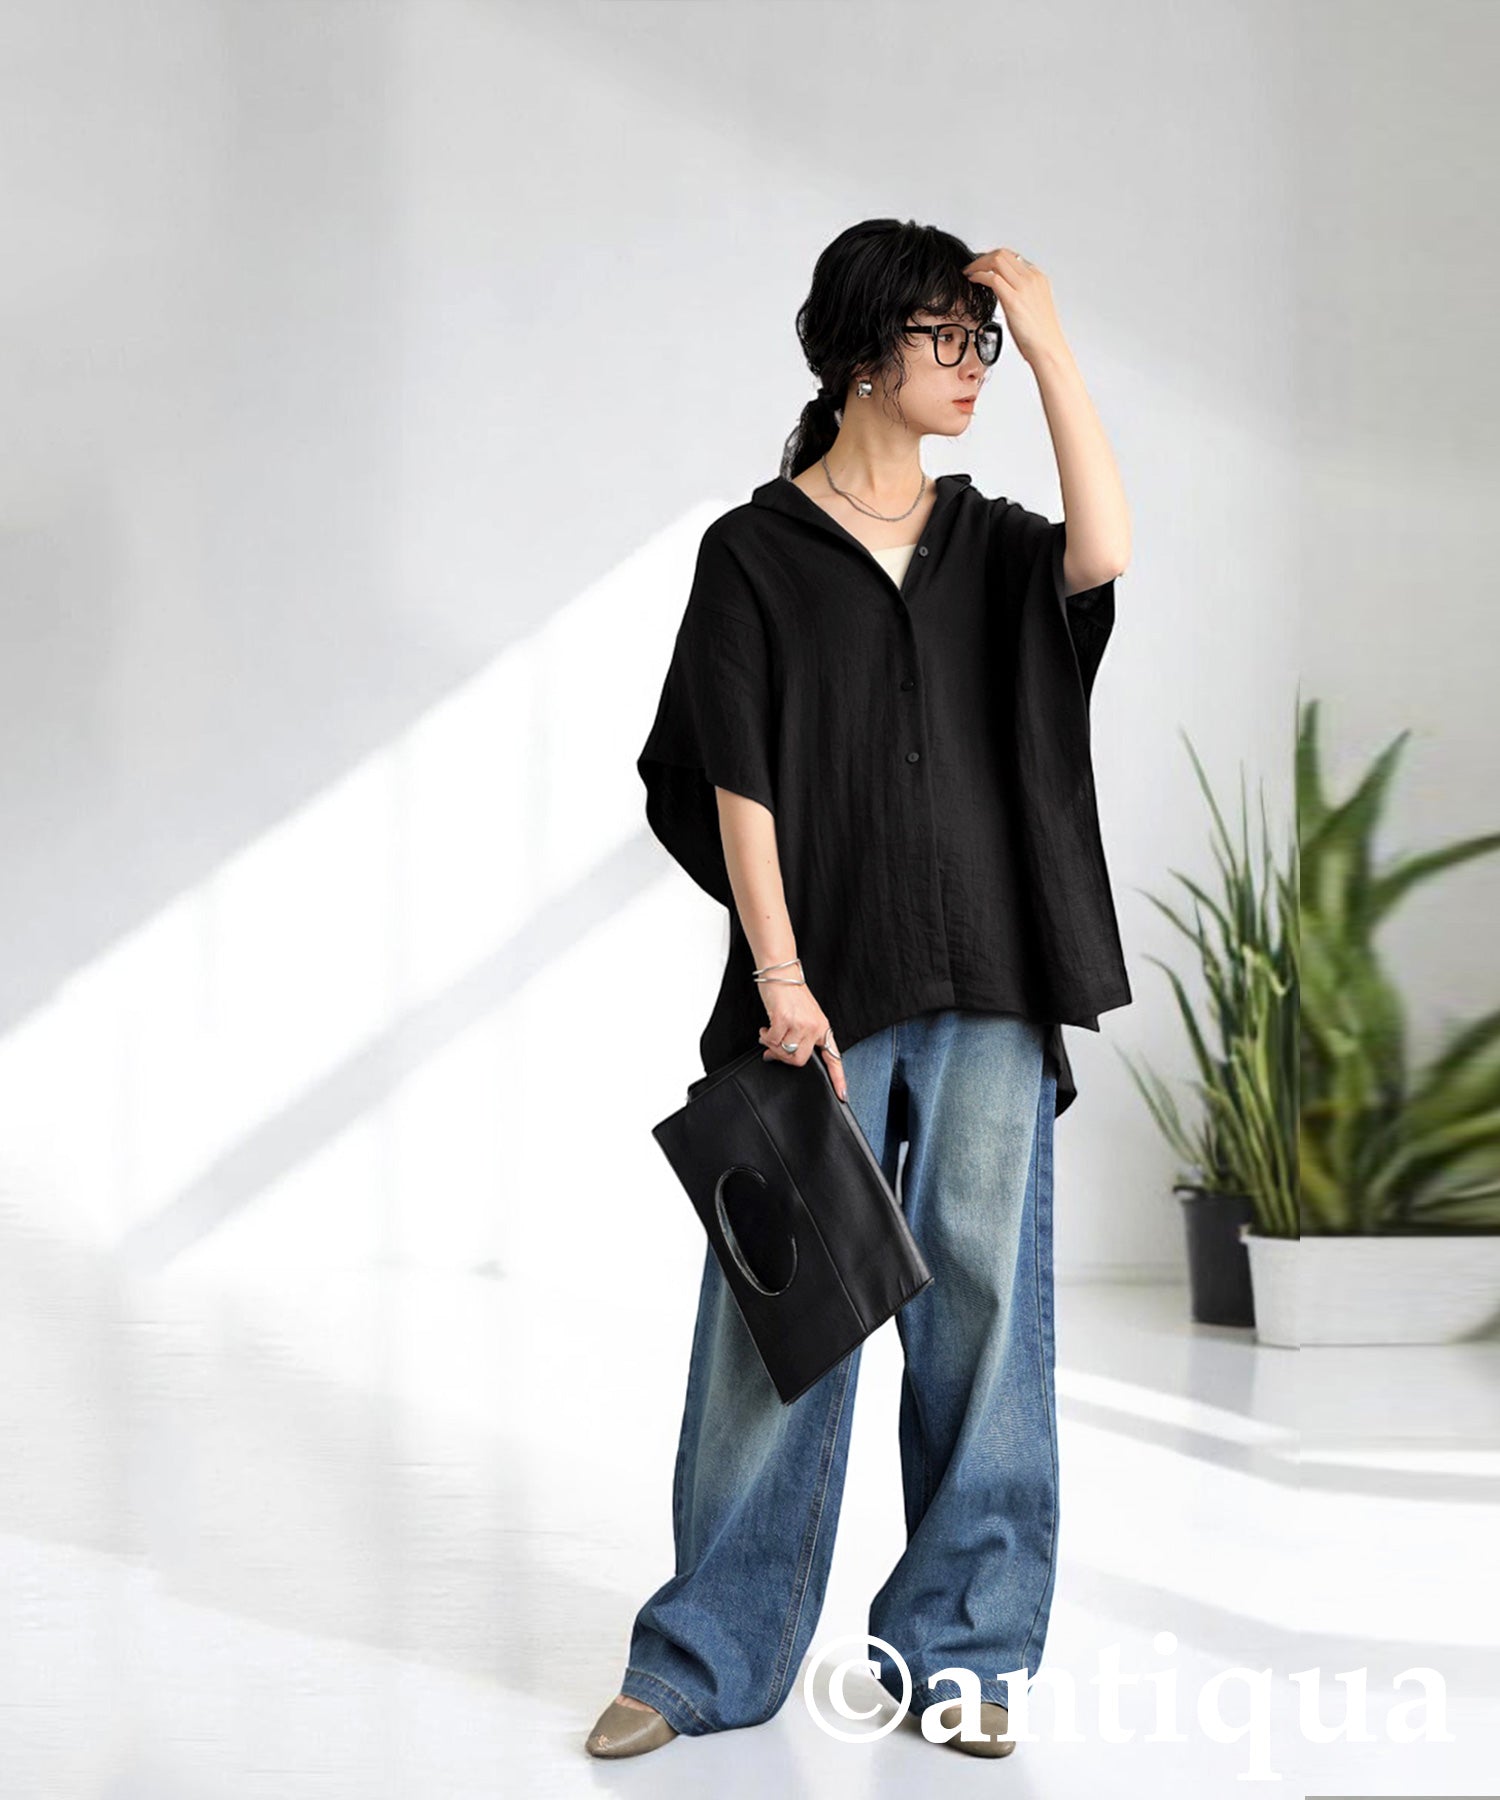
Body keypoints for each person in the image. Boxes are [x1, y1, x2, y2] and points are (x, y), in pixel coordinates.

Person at [586, 217, 1132, 1761]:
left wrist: (1052, 342)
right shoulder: (754, 552)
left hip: (990, 973)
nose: (975, 366)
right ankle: (702, 1656)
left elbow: (1104, 554)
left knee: (984, 1317)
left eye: (983, 341)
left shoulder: (995, 544)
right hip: (815, 992)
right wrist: (779, 972)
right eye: (949, 337)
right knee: (782, 1321)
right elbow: (736, 775)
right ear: (863, 352)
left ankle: (962, 1653)